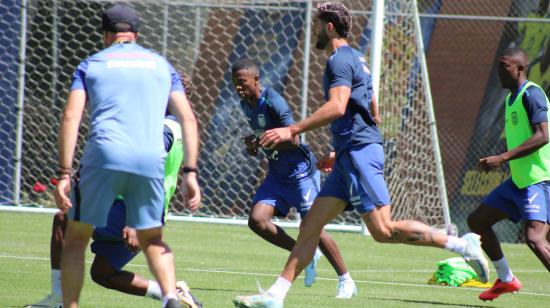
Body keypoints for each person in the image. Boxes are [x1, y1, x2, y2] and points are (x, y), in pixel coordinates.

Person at [233, 2, 488, 307]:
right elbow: (372, 109)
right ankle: (275, 296)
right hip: (349, 153)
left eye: (317, 24)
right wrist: (338, 148)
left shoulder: (338, 60)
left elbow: (338, 107)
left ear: (329, 27)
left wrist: (293, 129)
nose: (314, 30)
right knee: (310, 225)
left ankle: (462, 245)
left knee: (383, 230)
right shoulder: (358, 58)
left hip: (357, 153)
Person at [53, 4, 200, 308]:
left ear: (106, 34)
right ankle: (170, 296)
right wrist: (191, 173)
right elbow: (189, 119)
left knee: (71, 230)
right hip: (148, 174)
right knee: (137, 252)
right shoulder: (160, 67)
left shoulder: (91, 64)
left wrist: (65, 174)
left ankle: (61, 302)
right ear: (137, 34)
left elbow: (71, 117)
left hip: (105, 158)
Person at [27, 75, 201, 308]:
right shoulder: (173, 126)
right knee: (103, 273)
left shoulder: (162, 130)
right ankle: (170, 292)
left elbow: (144, 168)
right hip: (148, 211)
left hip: (127, 208)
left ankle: (58, 299)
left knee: (62, 221)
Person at [231, 58, 356, 298]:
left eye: (242, 82)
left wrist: (270, 138)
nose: (238, 87)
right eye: (234, 82)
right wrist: (254, 144)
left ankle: (346, 279)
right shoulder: (245, 104)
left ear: (256, 80)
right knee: (257, 220)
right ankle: (306, 256)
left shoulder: (274, 101)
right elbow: (262, 139)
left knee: (313, 227)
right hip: (277, 174)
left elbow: (295, 138)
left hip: (300, 172)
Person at [468, 46, 550, 301]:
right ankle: (506, 279)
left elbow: (543, 135)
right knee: (478, 221)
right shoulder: (509, 98)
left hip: (540, 181)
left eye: (504, 67)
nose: (499, 73)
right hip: (519, 182)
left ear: (520, 68)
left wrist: (502, 158)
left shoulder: (532, 94)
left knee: (535, 238)